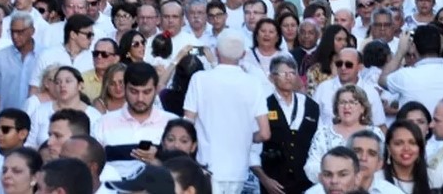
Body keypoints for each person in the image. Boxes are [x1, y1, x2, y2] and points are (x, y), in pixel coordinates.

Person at [184, 30, 270, 194]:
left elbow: (187, 123)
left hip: (207, 165)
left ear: (216, 51)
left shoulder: (200, 79)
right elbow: (265, 134)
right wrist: (248, 136)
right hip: (238, 169)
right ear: (244, 54)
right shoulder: (254, 83)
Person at [95, 62, 178, 178]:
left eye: (146, 92)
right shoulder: (103, 123)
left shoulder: (173, 123)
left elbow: (183, 171)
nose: (140, 98)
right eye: (134, 91)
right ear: (125, 88)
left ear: (156, 89)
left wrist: (159, 160)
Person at [254, 55, 319, 194]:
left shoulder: (311, 106)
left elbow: (319, 142)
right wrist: (265, 180)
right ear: (272, 77)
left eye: (292, 73)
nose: (289, 77)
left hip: (305, 183)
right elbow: (253, 149)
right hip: (273, 182)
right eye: (284, 74)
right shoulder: (263, 106)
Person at [304, 85, 384, 184]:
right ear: (336, 108)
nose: (347, 107)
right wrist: (335, 175)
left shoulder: (375, 133)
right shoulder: (323, 133)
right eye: (342, 103)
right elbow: (311, 166)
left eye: (352, 102)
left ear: (362, 108)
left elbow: (382, 165)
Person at [379, 27, 443, 115]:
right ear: (442, 46)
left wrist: (400, 51)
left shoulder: (405, 75)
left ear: (414, 47)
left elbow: (382, 80)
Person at [0, 12, 39, 138]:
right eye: (12, 32)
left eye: (20, 32)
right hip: (7, 125)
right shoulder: (1, 57)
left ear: (32, 31)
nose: (15, 36)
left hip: (35, 122)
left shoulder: (44, 56)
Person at [27, 66, 100, 147]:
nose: (62, 85)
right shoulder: (40, 111)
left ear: (80, 85)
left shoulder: (94, 116)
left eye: (68, 81)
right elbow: (30, 145)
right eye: (58, 82)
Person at [313, 48, 386, 129]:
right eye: (339, 64)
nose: (343, 68)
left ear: (360, 67)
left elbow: (379, 125)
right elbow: (312, 119)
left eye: (348, 65)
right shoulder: (323, 88)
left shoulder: (371, 92)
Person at [346, 130, 403, 194]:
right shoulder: (334, 187)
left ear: (379, 163)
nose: (363, 158)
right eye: (357, 151)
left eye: (371, 153)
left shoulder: (392, 192)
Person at [383, 120, 430, 194]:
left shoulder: (432, 179)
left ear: (420, 148)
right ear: (388, 148)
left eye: (412, 143)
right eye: (398, 143)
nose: (406, 148)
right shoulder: (376, 180)